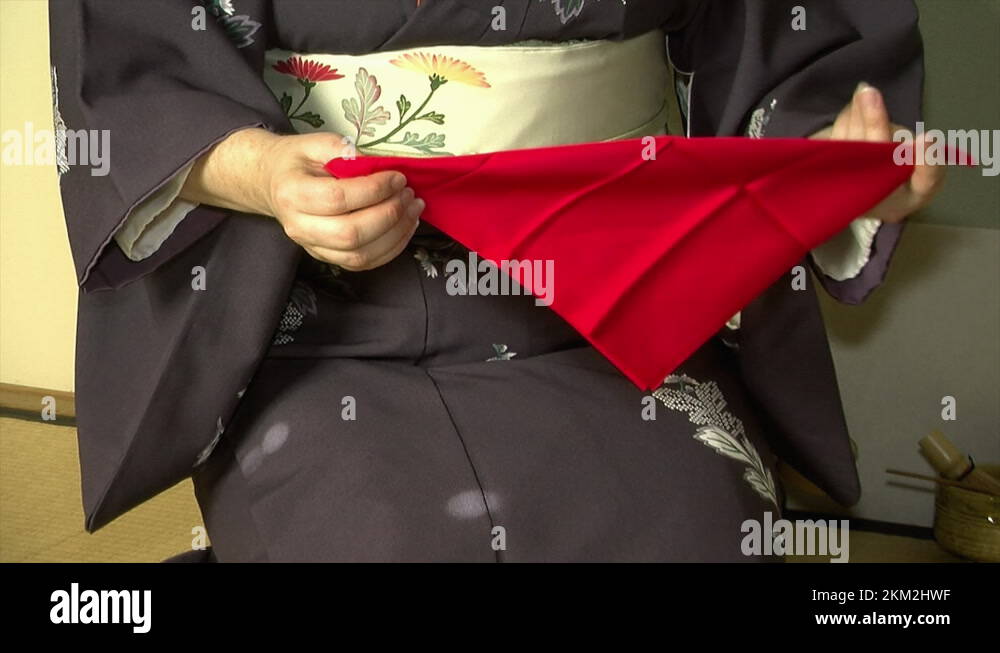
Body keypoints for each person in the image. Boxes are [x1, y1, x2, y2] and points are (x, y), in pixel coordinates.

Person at [49, 0, 943, 561]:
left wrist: (829, 166)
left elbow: (792, 40)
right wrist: (265, 171)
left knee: (707, 533)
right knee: (379, 536)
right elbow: (132, 60)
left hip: (617, 306)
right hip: (319, 315)